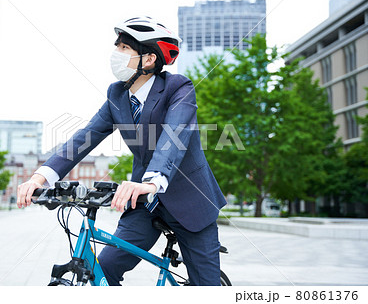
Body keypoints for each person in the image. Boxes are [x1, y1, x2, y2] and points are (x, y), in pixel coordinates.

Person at [17, 16, 227, 285]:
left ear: (149, 59)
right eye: (116, 47)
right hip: (144, 205)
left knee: (205, 287)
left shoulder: (178, 88)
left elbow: (173, 138)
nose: (116, 54)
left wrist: (151, 182)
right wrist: (40, 178)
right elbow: (84, 138)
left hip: (190, 201)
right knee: (102, 270)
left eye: (124, 49)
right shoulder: (117, 95)